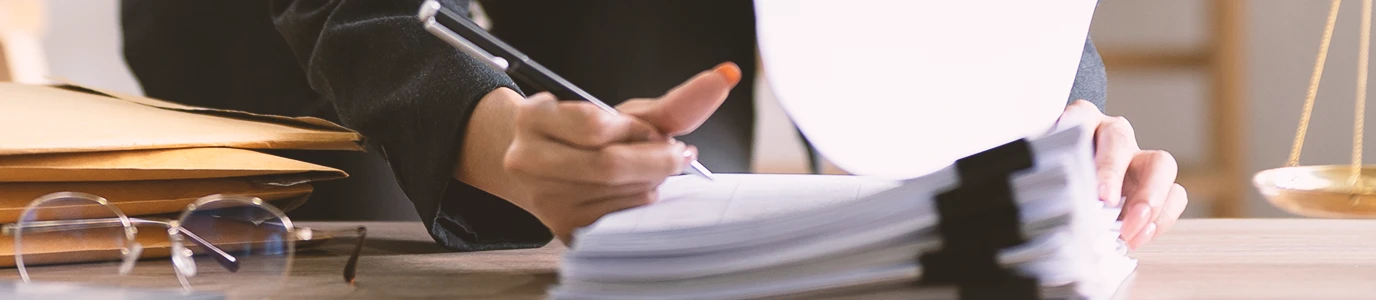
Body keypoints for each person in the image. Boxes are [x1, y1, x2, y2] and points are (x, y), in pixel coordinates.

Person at [119, 0, 1185, 251]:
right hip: (286, 43)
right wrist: (478, 133)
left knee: (666, 210)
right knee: (386, 240)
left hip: (650, 21)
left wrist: (1048, 104)